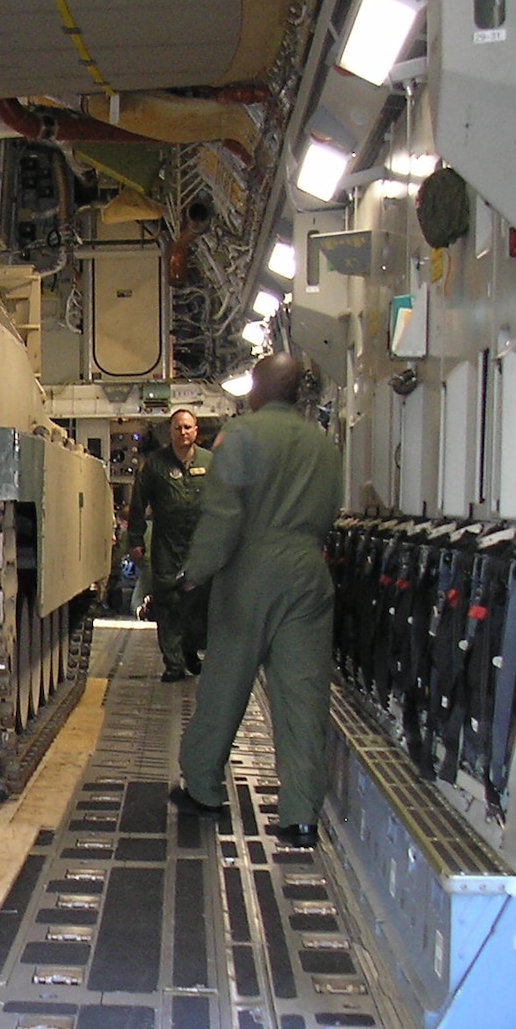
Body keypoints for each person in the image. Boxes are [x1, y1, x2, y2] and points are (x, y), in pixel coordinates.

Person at [169, 353, 342, 848]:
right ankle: (300, 816)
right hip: (309, 574)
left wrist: (192, 575)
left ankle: (202, 787)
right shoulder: (322, 444)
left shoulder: (242, 436)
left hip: (250, 573)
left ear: (259, 390)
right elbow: (330, 510)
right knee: (303, 695)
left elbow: (223, 518)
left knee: (226, 681)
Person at [129, 407, 213, 681]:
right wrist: (135, 539)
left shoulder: (210, 463)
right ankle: (174, 664)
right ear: (170, 432)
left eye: (188, 427)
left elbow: (224, 503)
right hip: (168, 545)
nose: (183, 432)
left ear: (196, 431)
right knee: (168, 603)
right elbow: (138, 503)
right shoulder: (156, 465)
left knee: (197, 604)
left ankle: (190, 651)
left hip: (200, 546)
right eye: (178, 427)